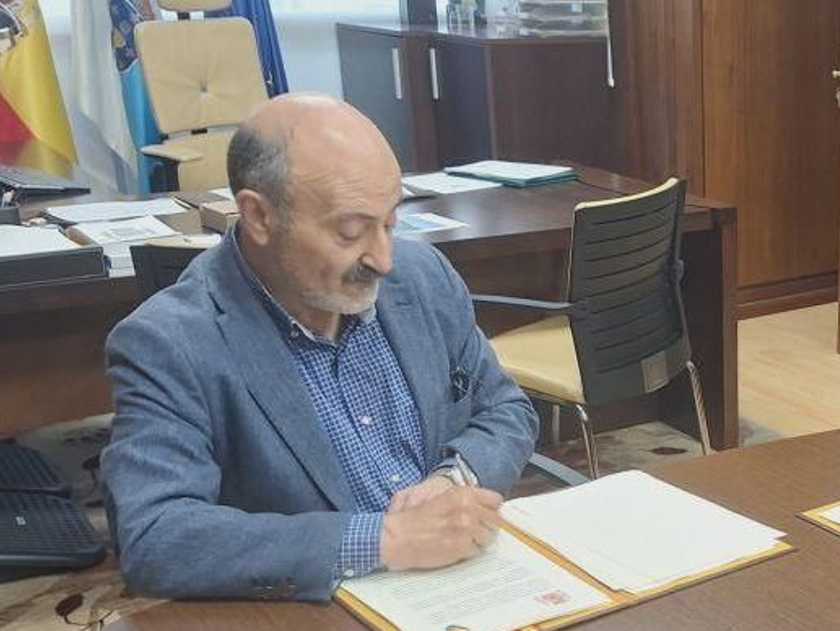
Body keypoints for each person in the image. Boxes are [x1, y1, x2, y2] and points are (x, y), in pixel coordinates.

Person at [103, 93, 538, 600]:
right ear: (259, 217)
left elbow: (506, 409)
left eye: (390, 222)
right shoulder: (169, 342)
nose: (383, 259)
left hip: (462, 582)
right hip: (314, 613)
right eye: (351, 232)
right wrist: (384, 540)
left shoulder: (423, 277)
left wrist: (452, 480)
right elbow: (156, 536)